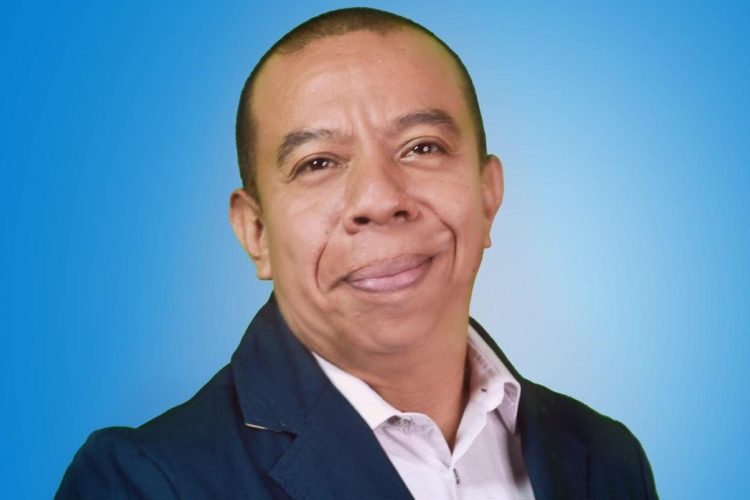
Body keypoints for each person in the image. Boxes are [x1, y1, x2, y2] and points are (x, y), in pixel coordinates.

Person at [56, 7, 658, 500]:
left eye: (422, 147)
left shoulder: (605, 458)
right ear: (256, 232)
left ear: (487, 194)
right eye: (318, 162)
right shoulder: (144, 482)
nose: (379, 199)